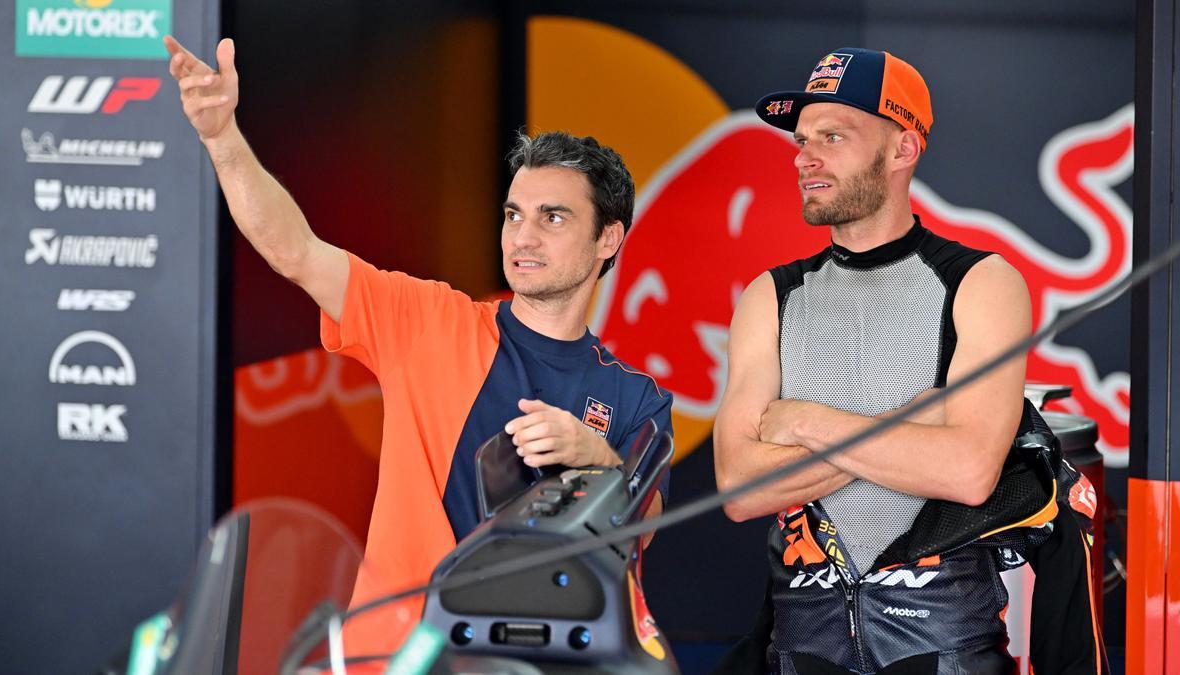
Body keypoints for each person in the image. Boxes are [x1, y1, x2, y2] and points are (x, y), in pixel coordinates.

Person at [162, 35, 672, 651]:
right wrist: (222, 138)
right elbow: (294, 251)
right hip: (397, 655)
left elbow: (643, 535)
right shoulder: (429, 319)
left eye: (553, 217)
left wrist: (597, 457)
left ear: (608, 238)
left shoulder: (635, 396)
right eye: (513, 214)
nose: (523, 236)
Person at [713, 48, 1104, 673]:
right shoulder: (772, 295)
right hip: (802, 653)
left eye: (833, 137)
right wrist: (914, 422)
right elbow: (739, 488)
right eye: (802, 140)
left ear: (903, 148)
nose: (804, 157)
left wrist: (805, 422)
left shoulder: (981, 282)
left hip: (945, 652)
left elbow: (969, 472)